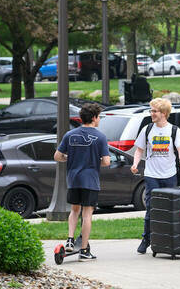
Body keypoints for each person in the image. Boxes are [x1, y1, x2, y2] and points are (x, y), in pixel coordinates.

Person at [53, 103, 110, 261]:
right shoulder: (100, 137)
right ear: (93, 118)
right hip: (90, 180)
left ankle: (70, 239)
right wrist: (92, 161)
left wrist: (69, 158)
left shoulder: (70, 135)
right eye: (99, 117)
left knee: (74, 210)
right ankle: (84, 250)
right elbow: (106, 162)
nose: (99, 120)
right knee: (87, 214)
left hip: (73, 179)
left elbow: (57, 156)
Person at [131, 98, 180, 254]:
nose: (151, 114)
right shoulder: (147, 129)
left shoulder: (174, 130)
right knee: (151, 208)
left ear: (163, 113)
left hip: (170, 175)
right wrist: (135, 164)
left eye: (154, 111)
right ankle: (146, 239)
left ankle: (170, 239)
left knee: (171, 209)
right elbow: (139, 150)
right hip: (151, 176)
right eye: (151, 111)